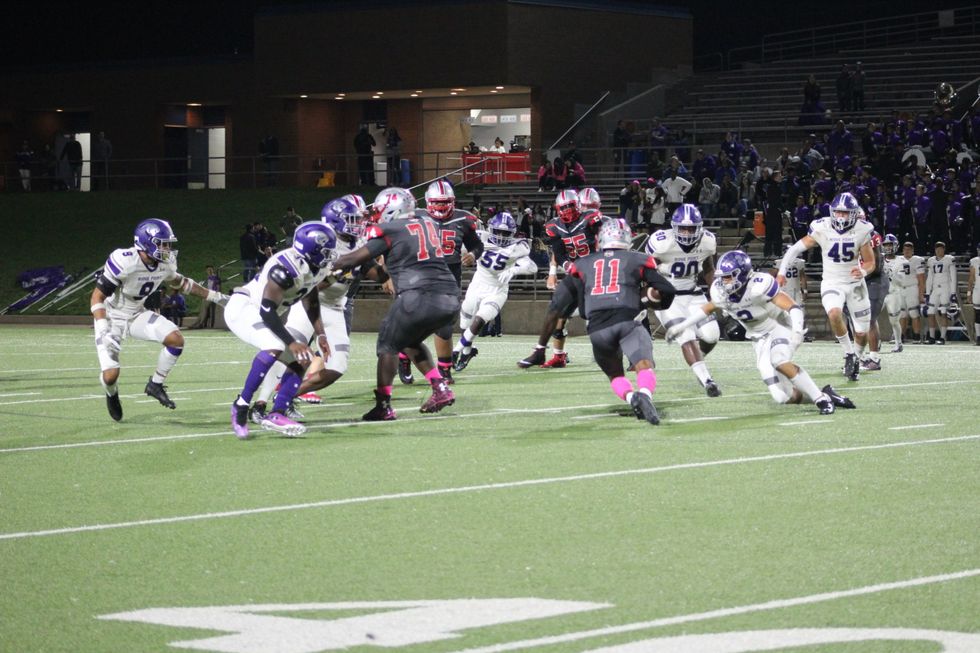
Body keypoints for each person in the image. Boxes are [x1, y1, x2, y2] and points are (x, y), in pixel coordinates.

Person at [669, 251, 854, 415]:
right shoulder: (720, 291)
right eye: (722, 277)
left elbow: (793, 307)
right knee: (783, 397)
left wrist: (797, 331)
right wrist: (682, 326)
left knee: (779, 360)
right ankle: (825, 395)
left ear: (742, 274)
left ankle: (821, 401)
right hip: (758, 339)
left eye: (729, 277)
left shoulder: (758, 286)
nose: (724, 282)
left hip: (779, 326)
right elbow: (708, 308)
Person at [256, 198, 390, 420]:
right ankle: (259, 403)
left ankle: (286, 397)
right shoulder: (321, 240)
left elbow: (377, 275)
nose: (356, 224)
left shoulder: (358, 243)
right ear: (335, 221)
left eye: (357, 219)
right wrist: (334, 275)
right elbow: (308, 284)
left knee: (337, 366)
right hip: (309, 302)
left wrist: (389, 258)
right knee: (286, 354)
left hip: (336, 308)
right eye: (351, 220)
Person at [331, 188, 460, 420]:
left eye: (380, 210)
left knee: (387, 345)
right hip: (450, 297)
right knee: (408, 341)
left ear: (391, 209)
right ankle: (440, 388)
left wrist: (322, 262)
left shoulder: (391, 229)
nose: (377, 215)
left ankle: (383, 406)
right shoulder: (427, 222)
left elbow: (354, 259)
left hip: (419, 296)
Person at [90, 219, 230, 422]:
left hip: (137, 314)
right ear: (146, 242)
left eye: (168, 244)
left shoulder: (164, 264)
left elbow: (182, 283)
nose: (167, 249)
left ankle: (155, 384)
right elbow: (97, 297)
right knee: (111, 376)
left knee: (175, 339)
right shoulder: (125, 261)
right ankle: (111, 393)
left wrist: (216, 297)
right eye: (162, 244)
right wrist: (103, 329)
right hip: (111, 317)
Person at [549, 218, 678, 424]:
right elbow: (667, 289)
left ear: (600, 239)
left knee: (616, 375)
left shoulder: (583, 263)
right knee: (644, 365)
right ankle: (645, 394)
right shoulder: (637, 259)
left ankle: (631, 397)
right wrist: (649, 302)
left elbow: (582, 309)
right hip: (627, 322)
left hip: (597, 329)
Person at [226, 222, 337, 438]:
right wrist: (292, 342)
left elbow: (311, 298)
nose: (330, 256)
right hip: (245, 308)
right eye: (326, 251)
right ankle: (241, 405)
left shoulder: (314, 266)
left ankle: (277, 413)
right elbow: (267, 311)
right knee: (275, 344)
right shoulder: (285, 269)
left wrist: (321, 333)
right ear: (311, 250)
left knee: (303, 358)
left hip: (263, 313)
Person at [778, 192, 876, 382]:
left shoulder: (862, 229)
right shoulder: (822, 227)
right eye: (838, 212)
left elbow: (871, 262)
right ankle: (849, 354)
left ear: (854, 214)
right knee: (834, 313)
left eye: (845, 213)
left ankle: (856, 359)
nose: (840, 216)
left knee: (861, 332)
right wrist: (782, 272)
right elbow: (795, 249)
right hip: (832, 281)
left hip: (855, 284)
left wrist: (863, 271)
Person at [408, 179, 484, 385]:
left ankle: (444, 369)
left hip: (449, 276)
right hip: (420, 274)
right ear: (428, 201)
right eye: (437, 202)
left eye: (445, 202)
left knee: (445, 326)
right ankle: (404, 358)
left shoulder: (464, 219)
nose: (441, 207)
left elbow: (477, 245)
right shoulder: (415, 217)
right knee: (413, 321)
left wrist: (473, 255)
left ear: (453, 201)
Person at [518, 189, 603, 369]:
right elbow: (558, 252)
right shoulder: (554, 226)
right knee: (555, 309)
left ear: (577, 204)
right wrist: (563, 266)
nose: (567, 211)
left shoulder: (590, 218)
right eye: (563, 208)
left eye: (569, 206)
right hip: (575, 274)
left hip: (595, 273)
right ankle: (545, 353)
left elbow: (606, 238)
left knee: (591, 314)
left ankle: (621, 349)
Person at [645, 204, 722, 396]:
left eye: (691, 229)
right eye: (683, 228)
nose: (687, 233)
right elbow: (645, 269)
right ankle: (707, 380)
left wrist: (716, 293)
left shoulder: (708, 241)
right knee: (686, 336)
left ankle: (697, 360)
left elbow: (709, 268)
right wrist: (649, 293)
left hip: (693, 293)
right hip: (668, 297)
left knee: (712, 335)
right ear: (674, 227)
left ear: (699, 228)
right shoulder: (661, 242)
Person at [452, 212, 538, 371]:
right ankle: (467, 352)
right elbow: (462, 248)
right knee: (465, 323)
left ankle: (456, 350)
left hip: (497, 290)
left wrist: (514, 270)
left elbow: (532, 267)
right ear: (491, 229)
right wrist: (466, 254)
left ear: (512, 233)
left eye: (505, 233)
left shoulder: (517, 247)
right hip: (477, 285)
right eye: (498, 231)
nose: (501, 236)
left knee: (480, 320)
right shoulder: (481, 237)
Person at [858, 228, 889, 370]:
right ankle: (860, 357)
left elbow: (876, 266)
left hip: (874, 280)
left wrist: (861, 272)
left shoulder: (871, 235)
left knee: (869, 319)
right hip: (860, 279)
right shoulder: (848, 236)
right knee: (856, 319)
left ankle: (874, 359)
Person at [924, 241, 958, 344]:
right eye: (937, 249)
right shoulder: (931, 260)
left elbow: (953, 276)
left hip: (945, 288)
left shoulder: (949, 259)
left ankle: (943, 337)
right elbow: (929, 277)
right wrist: (927, 293)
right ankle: (932, 337)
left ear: (944, 249)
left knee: (943, 312)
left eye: (941, 248)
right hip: (935, 289)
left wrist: (953, 292)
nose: (939, 251)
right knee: (930, 312)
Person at [189, 265, 222, 329]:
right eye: (208, 270)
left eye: (210, 269)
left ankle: (200, 324)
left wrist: (216, 295)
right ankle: (197, 323)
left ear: (213, 270)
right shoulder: (208, 278)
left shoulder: (216, 278)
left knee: (204, 309)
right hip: (207, 294)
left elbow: (218, 288)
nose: (209, 271)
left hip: (212, 295)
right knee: (202, 309)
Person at [968, 244, 980, 345]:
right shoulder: (974, 261)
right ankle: (979, 337)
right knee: (977, 313)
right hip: (978, 289)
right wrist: (969, 292)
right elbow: (971, 278)